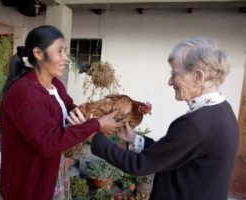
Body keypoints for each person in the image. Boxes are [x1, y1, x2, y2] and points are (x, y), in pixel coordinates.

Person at [89, 37, 239, 200]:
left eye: (174, 74)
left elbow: (140, 165)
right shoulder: (224, 111)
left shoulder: (196, 124)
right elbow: (173, 152)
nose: (169, 81)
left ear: (197, 77)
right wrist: (134, 139)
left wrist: (93, 135)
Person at [0, 25, 121, 200]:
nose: (66, 58)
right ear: (38, 54)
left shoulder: (55, 85)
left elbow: (73, 111)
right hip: (29, 184)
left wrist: (106, 110)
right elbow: (49, 142)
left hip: (52, 172)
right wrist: (97, 125)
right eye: (60, 51)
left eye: (65, 51)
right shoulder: (25, 93)